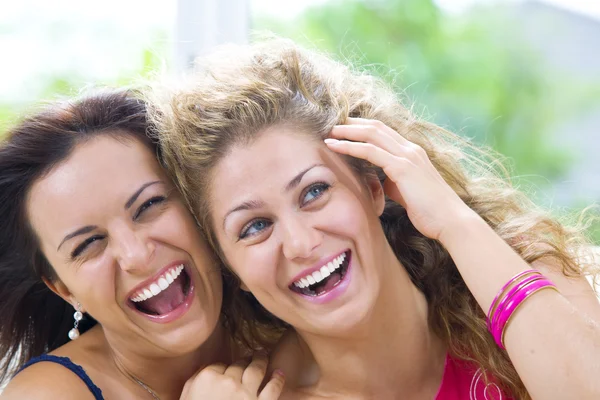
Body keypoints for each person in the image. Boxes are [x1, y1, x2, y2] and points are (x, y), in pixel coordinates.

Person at [152, 39, 600, 399]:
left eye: (314, 191)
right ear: (232, 270)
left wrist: (453, 220)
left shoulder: (526, 274)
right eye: (254, 227)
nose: (301, 242)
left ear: (372, 188)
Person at [0, 89, 285, 399]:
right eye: (89, 244)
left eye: (148, 206)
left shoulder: (293, 330)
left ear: (196, 204)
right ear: (64, 289)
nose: (136, 255)